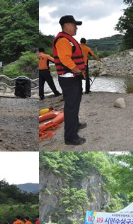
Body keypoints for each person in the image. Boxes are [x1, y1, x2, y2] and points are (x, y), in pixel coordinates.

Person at [52, 15, 86, 146]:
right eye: (74, 24)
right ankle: (71, 138)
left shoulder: (69, 39)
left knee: (75, 104)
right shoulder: (62, 40)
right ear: (66, 25)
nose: (76, 27)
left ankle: (75, 125)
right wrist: (78, 71)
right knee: (71, 107)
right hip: (69, 78)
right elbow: (65, 60)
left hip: (73, 77)